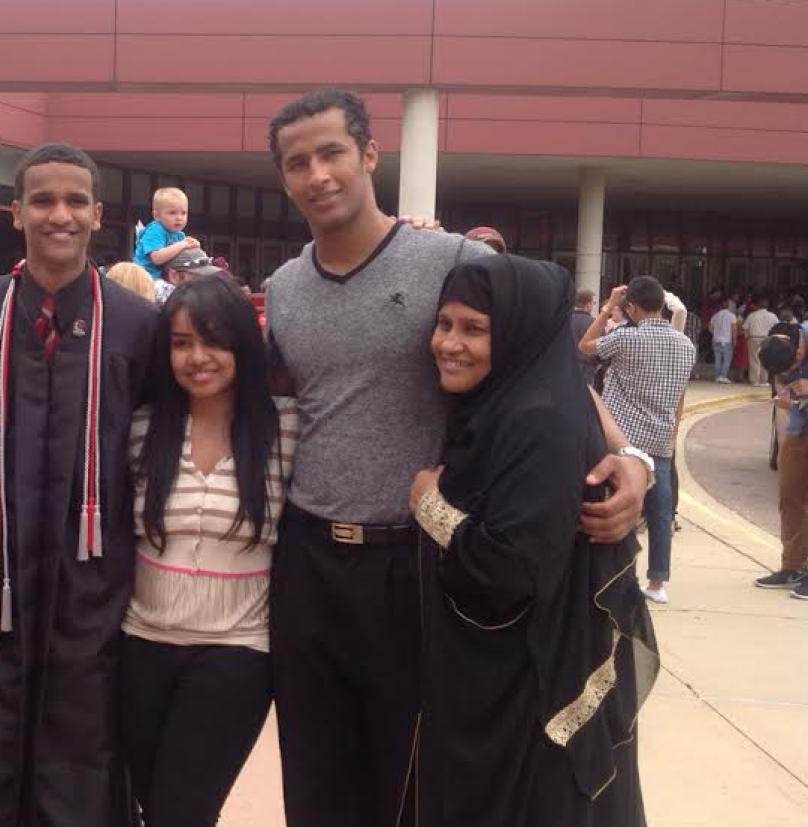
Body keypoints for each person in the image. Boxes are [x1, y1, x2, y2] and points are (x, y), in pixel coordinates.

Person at [261, 88, 648, 827]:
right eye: (297, 162)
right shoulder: (282, 290)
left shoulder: (451, 258)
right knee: (314, 769)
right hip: (308, 559)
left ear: (370, 155)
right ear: (284, 177)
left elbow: (548, 364)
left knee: (408, 778)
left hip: (417, 565)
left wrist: (630, 456)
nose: (318, 174)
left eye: (332, 152)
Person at [0, 143, 158, 827]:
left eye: (76, 200)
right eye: (44, 200)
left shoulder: (137, 323)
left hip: (92, 573)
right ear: (16, 210)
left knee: (81, 734)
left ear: (99, 214)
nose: (61, 214)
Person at [411, 254, 657, 826]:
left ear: (519, 334)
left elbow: (511, 569)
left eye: (474, 329)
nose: (449, 342)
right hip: (500, 675)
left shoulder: (537, 421)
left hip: (527, 691)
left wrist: (430, 505)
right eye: (444, 324)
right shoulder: (509, 400)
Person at [118, 274, 298, 826]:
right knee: (147, 803)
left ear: (243, 345)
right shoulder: (142, 428)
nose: (198, 357)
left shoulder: (286, 428)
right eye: (181, 343)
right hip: (139, 646)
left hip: (236, 652)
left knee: (182, 812)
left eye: (214, 341)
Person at [579, 276, 695, 605]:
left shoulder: (627, 338)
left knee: (617, 507)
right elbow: (679, 397)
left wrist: (605, 310)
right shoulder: (685, 345)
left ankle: (618, 576)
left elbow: (585, 347)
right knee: (659, 513)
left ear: (630, 307)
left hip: (622, 438)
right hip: (660, 436)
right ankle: (658, 581)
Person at [754, 323, 808, 599]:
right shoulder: (777, 343)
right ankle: (792, 566)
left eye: (794, 364)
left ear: (799, 349)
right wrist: (785, 394)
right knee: (789, 495)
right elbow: (780, 385)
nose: (790, 371)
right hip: (799, 428)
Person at [133, 187, 200, 280]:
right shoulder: (155, 230)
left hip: (163, 278)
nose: (179, 218)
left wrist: (194, 247)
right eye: (172, 213)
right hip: (145, 277)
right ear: (156, 216)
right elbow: (156, 258)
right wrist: (182, 245)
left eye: (183, 213)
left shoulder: (179, 235)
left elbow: (183, 260)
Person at [745, 298, 779, 387]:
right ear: (767, 306)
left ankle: (755, 380)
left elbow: (745, 328)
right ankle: (764, 380)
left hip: (754, 338)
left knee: (754, 359)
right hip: (767, 338)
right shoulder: (773, 316)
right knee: (765, 359)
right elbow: (777, 328)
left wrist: (747, 338)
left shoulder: (752, 315)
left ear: (757, 306)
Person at [571, 288, 598, 386]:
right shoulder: (593, 323)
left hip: (563, 368)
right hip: (586, 370)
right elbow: (600, 348)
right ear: (588, 304)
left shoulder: (563, 321)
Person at [709, 299, 737, 383]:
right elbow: (734, 329)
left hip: (716, 340)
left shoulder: (715, 316)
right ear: (728, 306)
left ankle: (717, 376)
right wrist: (734, 339)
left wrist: (715, 333)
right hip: (726, 341)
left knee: (717, 359)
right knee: (726, 360)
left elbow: (710, 327)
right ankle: (723, 376)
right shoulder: (732, 316)